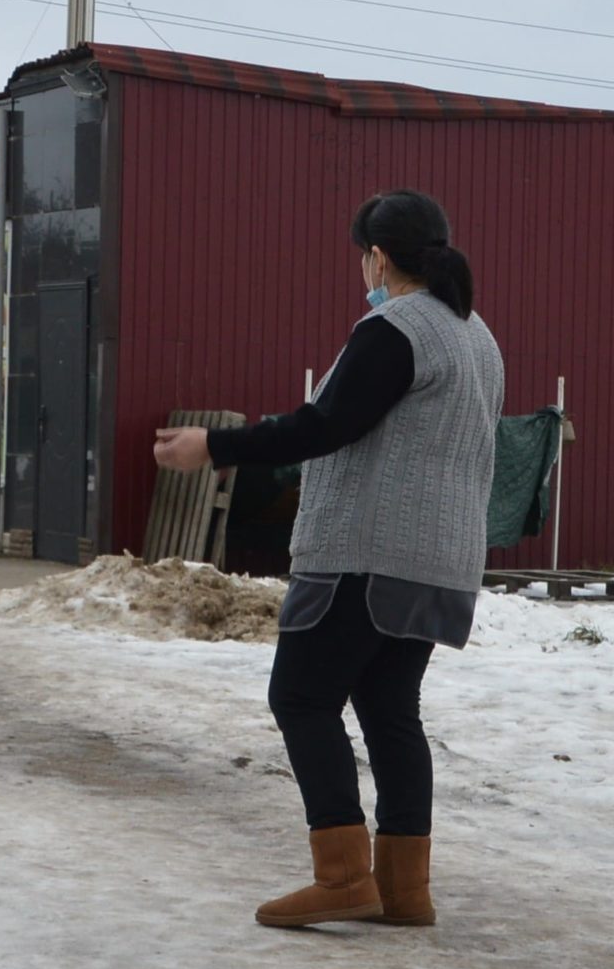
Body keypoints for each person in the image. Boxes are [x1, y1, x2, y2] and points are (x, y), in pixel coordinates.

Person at [154, 189, 503, 930]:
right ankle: (406, 889)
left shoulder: (395, 328)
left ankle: (344, 876)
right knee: (389, 710)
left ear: (379, 255)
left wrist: (217, 446)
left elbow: (325, 424)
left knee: (302, 697)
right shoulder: (477, 337)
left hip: (367, 556)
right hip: (440, 562)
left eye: (363, 256)